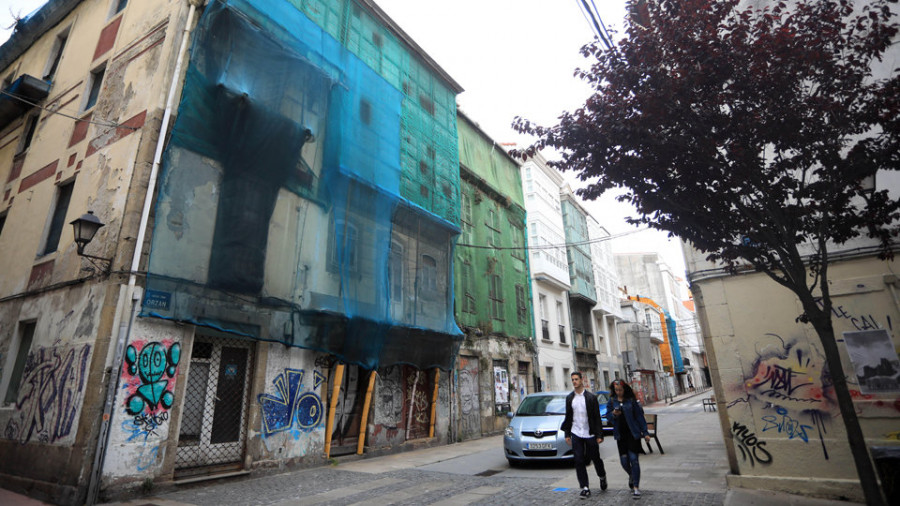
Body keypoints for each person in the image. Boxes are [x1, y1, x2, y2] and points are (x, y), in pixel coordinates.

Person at [561, 371, 607, 499]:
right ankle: (585, 487)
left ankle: (602, 476)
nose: (574, 382)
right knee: (579, 460)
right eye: (573, 380)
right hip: (576, 432)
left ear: (581, 380)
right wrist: (567, 433)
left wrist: (599, 435)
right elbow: (568, 417)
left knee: (595, 458)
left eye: (576, 379)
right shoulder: (570, 398)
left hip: (589, 433)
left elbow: (597, 418)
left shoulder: (591, 398)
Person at [607, 379, 651, 499]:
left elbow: (639, 416)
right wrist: (614, 415)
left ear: (624, 389)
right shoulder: (612, 400)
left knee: (634, 459)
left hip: (633, 434)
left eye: (620, 390)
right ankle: (632, 475)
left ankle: (636, 487)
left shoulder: (631, 400)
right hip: (620, 436)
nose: (618, 392)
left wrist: (645, 432)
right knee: (624, 461)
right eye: (616, 390)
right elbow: (608, 417)